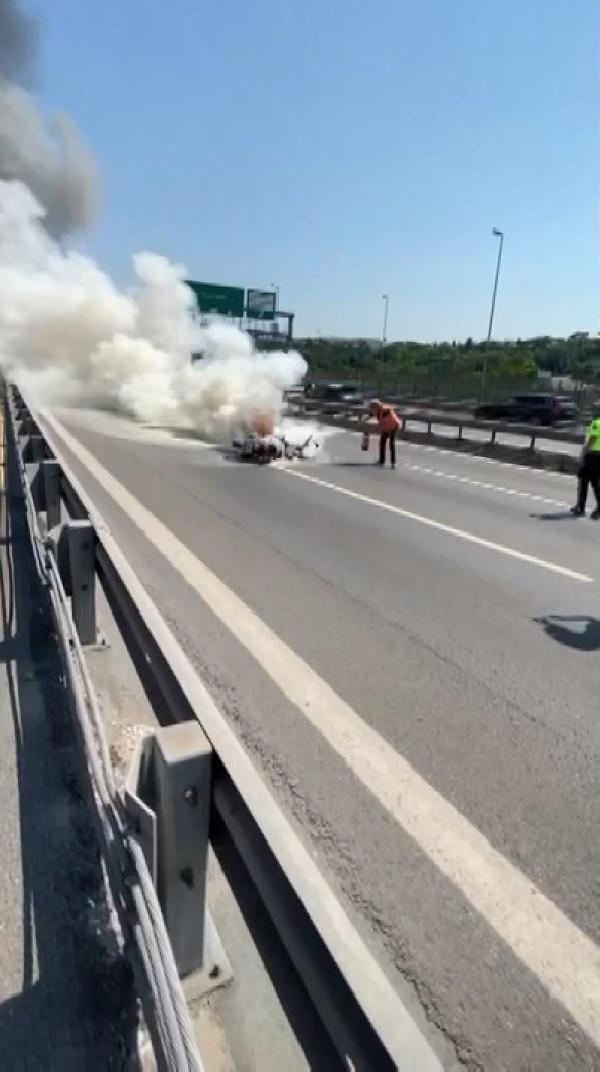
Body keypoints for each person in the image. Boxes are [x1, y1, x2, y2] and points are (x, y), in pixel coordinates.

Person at [571, 411, 600, 518]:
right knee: (596, 484)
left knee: (583, 482)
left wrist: (582, 456)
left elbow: (592, 439)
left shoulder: (596, 423)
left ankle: (580, 507)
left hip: (592, 456)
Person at [368, 399, 401, 468]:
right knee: (382, 442)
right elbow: (371, 416)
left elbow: (388, 414)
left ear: (376, 406)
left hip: (393, 426)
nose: (372, 409)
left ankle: (393, 462)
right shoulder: (378, 411)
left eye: (373, 407)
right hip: (387, 427)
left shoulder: (384, 410)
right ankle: (382, 460)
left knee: (391, 443)